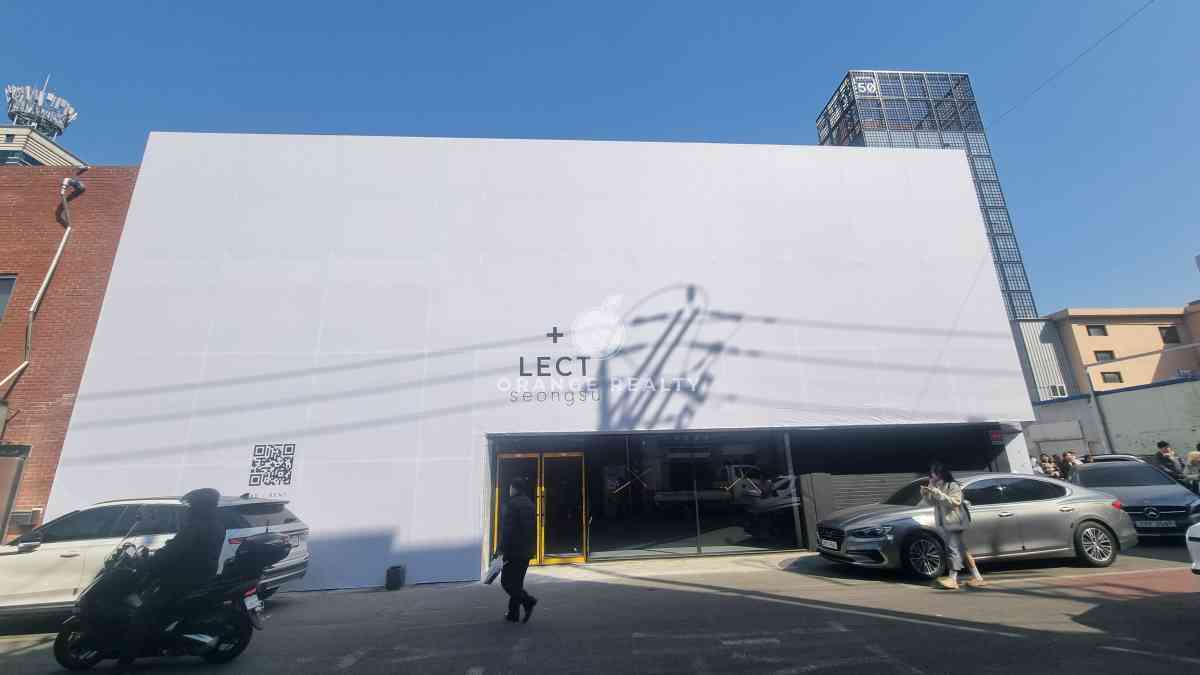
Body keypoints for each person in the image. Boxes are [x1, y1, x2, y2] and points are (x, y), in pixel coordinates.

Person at [119, 488, 226, 669]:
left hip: (184, 577)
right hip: (199, 573)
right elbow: (179, 548)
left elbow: (173, 551)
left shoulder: (196, 527)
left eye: (191, 505)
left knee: (144, 611)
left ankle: (127, 657)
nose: (188, 509)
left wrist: (148, 563)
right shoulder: (215, 524)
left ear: (200, 506)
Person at [921, 461, 982, 590]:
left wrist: (938, 493)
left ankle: (953, 579)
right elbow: (933, 503)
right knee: (962, 550)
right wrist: (926, 493)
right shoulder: (937, 486)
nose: (931, 475)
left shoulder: (952, 485)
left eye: (933, 472)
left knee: (952, 549)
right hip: (944, 522)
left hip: (955, 522)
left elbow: (955, 502)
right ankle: (977, 577)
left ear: (940, 473)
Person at [499, 478, 538, 623]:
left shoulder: (511, 505)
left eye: (510, 488)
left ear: (514, 489)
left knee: (506, 582)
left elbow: (508, 531)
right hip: (526, 550)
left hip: (513, 551)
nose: (509, 490)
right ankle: (513, 613)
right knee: (517, 582)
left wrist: (501, 548)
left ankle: (528, 601)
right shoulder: (530, 504)